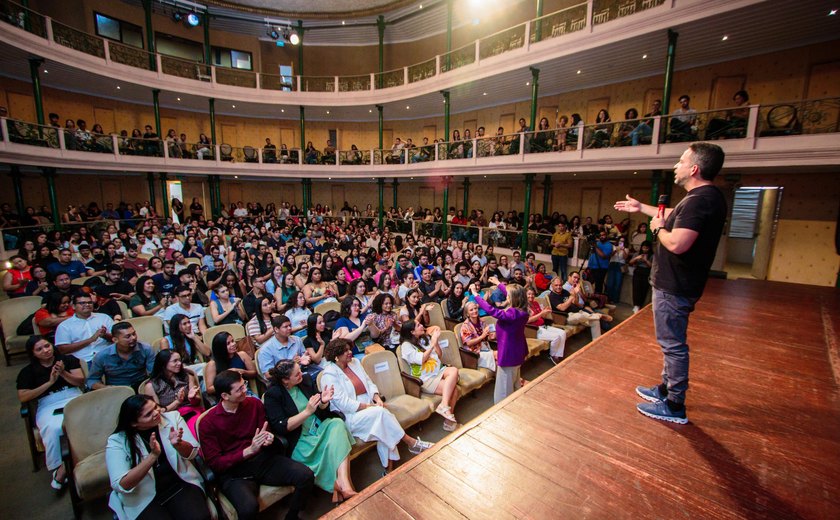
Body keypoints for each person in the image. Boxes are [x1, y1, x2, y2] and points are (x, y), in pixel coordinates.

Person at [614, 142, 727, 424]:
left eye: (681, 161)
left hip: (675, 285)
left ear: (694, 168)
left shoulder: (700, 200)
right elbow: (676, 215)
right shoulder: (704, 198)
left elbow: (677, 243)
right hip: (677, 283)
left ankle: (675, 404)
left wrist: (659, 229)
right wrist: (642, 208)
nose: (676, 166)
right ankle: (665, 389)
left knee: (672, 345)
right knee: (670, 342)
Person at [198, 370, 314, 520]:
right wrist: (247, 451)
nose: (245, 390)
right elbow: (215, 463)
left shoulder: (253, 404)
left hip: (263, 460)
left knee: (306, 476)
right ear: (225, 396)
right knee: (248, 509)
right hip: (235, 473)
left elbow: (265, 429)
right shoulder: (208, 423)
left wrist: (269, 438)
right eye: (239, 389)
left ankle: (292, 516)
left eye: (244, 385)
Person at [320, 338, 433, 474]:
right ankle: (410, 442)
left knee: (382, 424)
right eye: (345, 351)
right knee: (382, 414)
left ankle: (389, 470)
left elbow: (369, 382)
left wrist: (376, 397)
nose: (350, 352)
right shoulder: (329, 374)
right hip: (351, 415)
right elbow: (344, 404)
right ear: (336, 357)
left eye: (349, 349)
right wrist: (369, 407)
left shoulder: (355, 362)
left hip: (369, 406)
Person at [263, 360, 357, 502]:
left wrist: (324, 401)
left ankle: (343, 483)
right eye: (297, 374)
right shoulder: (273, 395)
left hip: (319, 427)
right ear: (285, 380)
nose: (301, 374)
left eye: (300, 370)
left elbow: (320, 408)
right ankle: (344, 487)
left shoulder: (305, 380)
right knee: (336, 443)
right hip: (300, 439)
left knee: (337, 424)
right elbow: (281, 427)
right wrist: (307, 412)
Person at [106, 394, 210, 520]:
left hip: (178, 481)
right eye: (148, 414)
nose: (156, 413)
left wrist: (179, 444)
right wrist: (153, 456)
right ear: (133, 423)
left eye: (156, 407)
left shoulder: (172, 418)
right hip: (143, 495)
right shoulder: (118, 441)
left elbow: (192, 453)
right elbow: (122, 484)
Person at [17, 336, 85, 490]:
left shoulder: (68, 360)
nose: (45, 350)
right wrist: (49, 383)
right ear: (33, 353)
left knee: (82, 421)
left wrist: (63, 374)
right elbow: (23, 396)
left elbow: (81, 381)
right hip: (48, 402)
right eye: (39, 349)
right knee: (55, 428)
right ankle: (61, 466)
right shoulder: (27, 371)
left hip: (73, 395)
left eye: (47, 346)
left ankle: (64, 469)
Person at [470, 280, 528, 403]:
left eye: (508, 295)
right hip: (517, 352)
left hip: (509, 355)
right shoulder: (522, 311)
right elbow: (512, 293)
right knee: (515, 385)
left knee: (502, 394)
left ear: (514, 298)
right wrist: (498, 283)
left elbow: (492, 311)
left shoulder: (513, 313)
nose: (506, 296)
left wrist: (476, 295)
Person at [399, 320, 461, 431]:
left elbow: (439, 355)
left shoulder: (422, 339)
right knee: (454, 389)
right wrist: (432, 344)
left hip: (438, 371)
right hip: (426, 379)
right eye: (418, 325)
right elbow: (422, 359)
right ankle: (448, 422)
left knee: (454, 371)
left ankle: (443, 405)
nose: (422, 325)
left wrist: (435, 341)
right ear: (412, 331)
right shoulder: (406, 346)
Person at [143, 350, 204, 437]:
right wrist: (177, 402)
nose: (179, 363)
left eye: (180, 360)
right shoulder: (152, 385)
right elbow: (158, 412)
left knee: (201, 424)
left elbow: (197, 402)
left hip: (191, 411)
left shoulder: (187, 376)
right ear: (163, 363)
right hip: (169, 418)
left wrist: (192, 398)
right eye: (175, 361)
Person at [87, 322, 155, 391]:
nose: (133, 338)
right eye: (128, 336)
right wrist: (105, 388)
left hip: (141, 387)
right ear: (115, 340)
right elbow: (92, 380)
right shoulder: (102, 356)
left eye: (134, 334)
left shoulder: (146, 349)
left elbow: (153, 373)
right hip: (116, 390)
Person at [54, 293, 115, 363]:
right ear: (73, 306)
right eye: (82, 303)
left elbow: (117, 338)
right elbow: (62, 349)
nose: (87, 305)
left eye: (90, 302)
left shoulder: (104, 318)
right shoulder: (65, 325)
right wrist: (90, 340)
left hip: (108, 357)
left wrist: (105, 335)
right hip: (84, 361)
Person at [257, 315, 313, 381]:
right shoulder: (266, 349)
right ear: (276, 329)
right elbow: (268, 375)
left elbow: (305, 357)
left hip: (301, 374)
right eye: (286, 327)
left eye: (290, 325)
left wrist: (307, 359)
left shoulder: (297, 340)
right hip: (281, 381)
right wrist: (290, 365)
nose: (289, 328)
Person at [203, 332, 257, 397]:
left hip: (244, 391)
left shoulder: (242, 355)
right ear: (221, 347)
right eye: (228, 343)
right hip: (226, 396)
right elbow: (209, 389)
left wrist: (243, 372)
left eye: (232, 341)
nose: (233, 344)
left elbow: (254, 373)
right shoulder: (212, 364)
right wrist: (227, 382)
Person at [526, 287, 567, 364]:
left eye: (532, 294)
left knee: (562, 333)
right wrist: (541, 313)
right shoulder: (524, 306)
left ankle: (557, 355)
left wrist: (546, 312)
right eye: (529, 294)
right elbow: (528, 320)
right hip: (534, 329)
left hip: (543, 325)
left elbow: (542, 317)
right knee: (556, 337)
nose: (531, 296)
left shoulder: (536, 303)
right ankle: (552, 355)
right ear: (525, 295)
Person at [629, 240, 654, 313]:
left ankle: (640, 305)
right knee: (636, 288)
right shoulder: (637, 254)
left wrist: (646, 260)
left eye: (646, 248)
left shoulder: (652, 255)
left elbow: (652, 266)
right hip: (638, 271)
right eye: (643, 248)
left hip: (646, 272)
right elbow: (630, 262)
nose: (645, 249)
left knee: (644, 289)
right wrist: (636, 258)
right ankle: (636, 305)